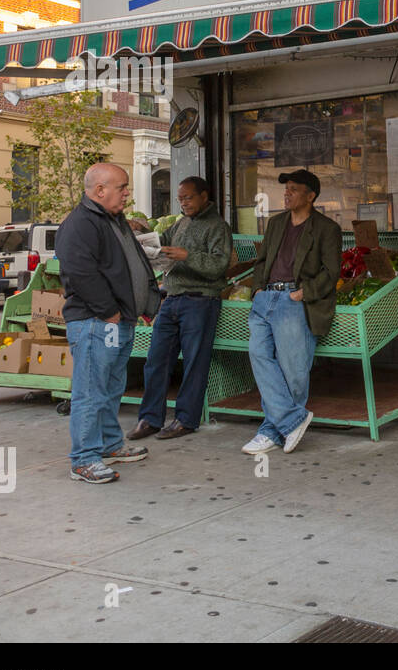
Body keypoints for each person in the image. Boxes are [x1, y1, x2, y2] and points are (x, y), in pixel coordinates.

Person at [56, 163, 161, 484]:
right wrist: (109, 312)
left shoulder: (112, 220)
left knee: (111, 386)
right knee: (90, 390)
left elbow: (129, 264)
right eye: (122, 187)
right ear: (100, 190)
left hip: (117, 322)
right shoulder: (80, 224)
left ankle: (110, 444)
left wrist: (146, 303)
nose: (127, 193)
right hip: (95, 323)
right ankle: (84, 459)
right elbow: (80, 273)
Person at [241, 169, 342, 455]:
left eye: (294, 189)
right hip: (265, 299)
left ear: (310, 196)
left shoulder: (326, 228)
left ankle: (271, 430)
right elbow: (261, 261)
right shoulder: (275, 223)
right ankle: (291, 420)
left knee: (293, 369)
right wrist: (257, 289)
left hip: (294, 299)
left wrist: (302, 293)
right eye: (286, 188)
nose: (286, 193)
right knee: (259, 356)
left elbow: (331, 271)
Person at [127, 177, 233, 441]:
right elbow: (160, 244)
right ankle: (150, 419)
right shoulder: (181, 223)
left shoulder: (218, 226)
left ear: (204, 196)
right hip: (172, 298)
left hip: (201, 301)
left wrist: (188, 256)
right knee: (156, 361)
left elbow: (220, 266)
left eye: (188, 197)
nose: (184, 203)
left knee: (195, 362)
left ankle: (186, 419)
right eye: (180, 198)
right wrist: (142, 235)